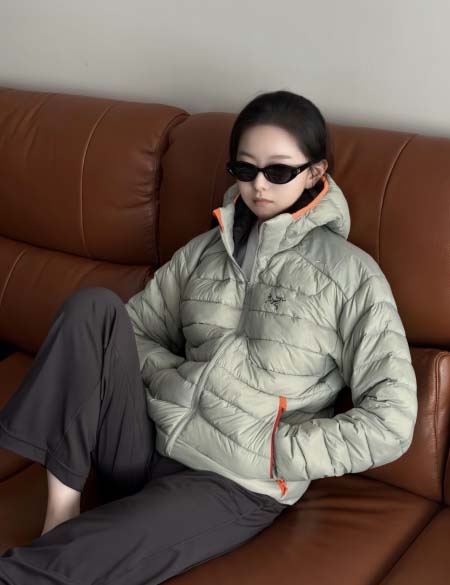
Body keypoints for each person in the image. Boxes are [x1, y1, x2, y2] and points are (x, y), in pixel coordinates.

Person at [0, 90, 418, 584]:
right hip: (150, 439)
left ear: (315, 172)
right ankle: (60, 509)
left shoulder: (351, 276)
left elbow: (391, 421)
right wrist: (171, 378)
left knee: (76, 561)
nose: (259, 185)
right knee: (92, 308)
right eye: (245, 169)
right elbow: (133, 329)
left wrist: (278, 451)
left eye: (278, 171)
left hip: (234, 481)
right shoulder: (203, 253)